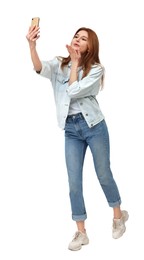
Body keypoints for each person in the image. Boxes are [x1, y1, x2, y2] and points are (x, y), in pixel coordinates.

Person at [26, 25, 129, 251]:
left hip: (94, 126)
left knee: (103, 173)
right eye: (76, 36)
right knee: (74, 183)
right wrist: (32, 45)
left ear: (90, 46)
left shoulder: (96, 69)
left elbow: (73, 91)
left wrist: (74, 63)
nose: (78, 40)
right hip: (71, 130)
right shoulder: (59, 63)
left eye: (84, 39)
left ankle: (118, 215)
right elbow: (39, 67)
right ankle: (81, 232)